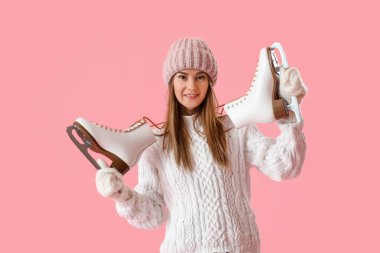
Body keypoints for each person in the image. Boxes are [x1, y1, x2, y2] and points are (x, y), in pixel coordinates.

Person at [95, 37, 307, 253]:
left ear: (210, 82)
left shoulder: (235, 127)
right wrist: (121, 195)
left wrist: (290, 110)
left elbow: (284, 166)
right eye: (182, 77)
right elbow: (155, 214)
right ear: (171, 82)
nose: (191, 86)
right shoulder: (156, 142)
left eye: (200, 77)